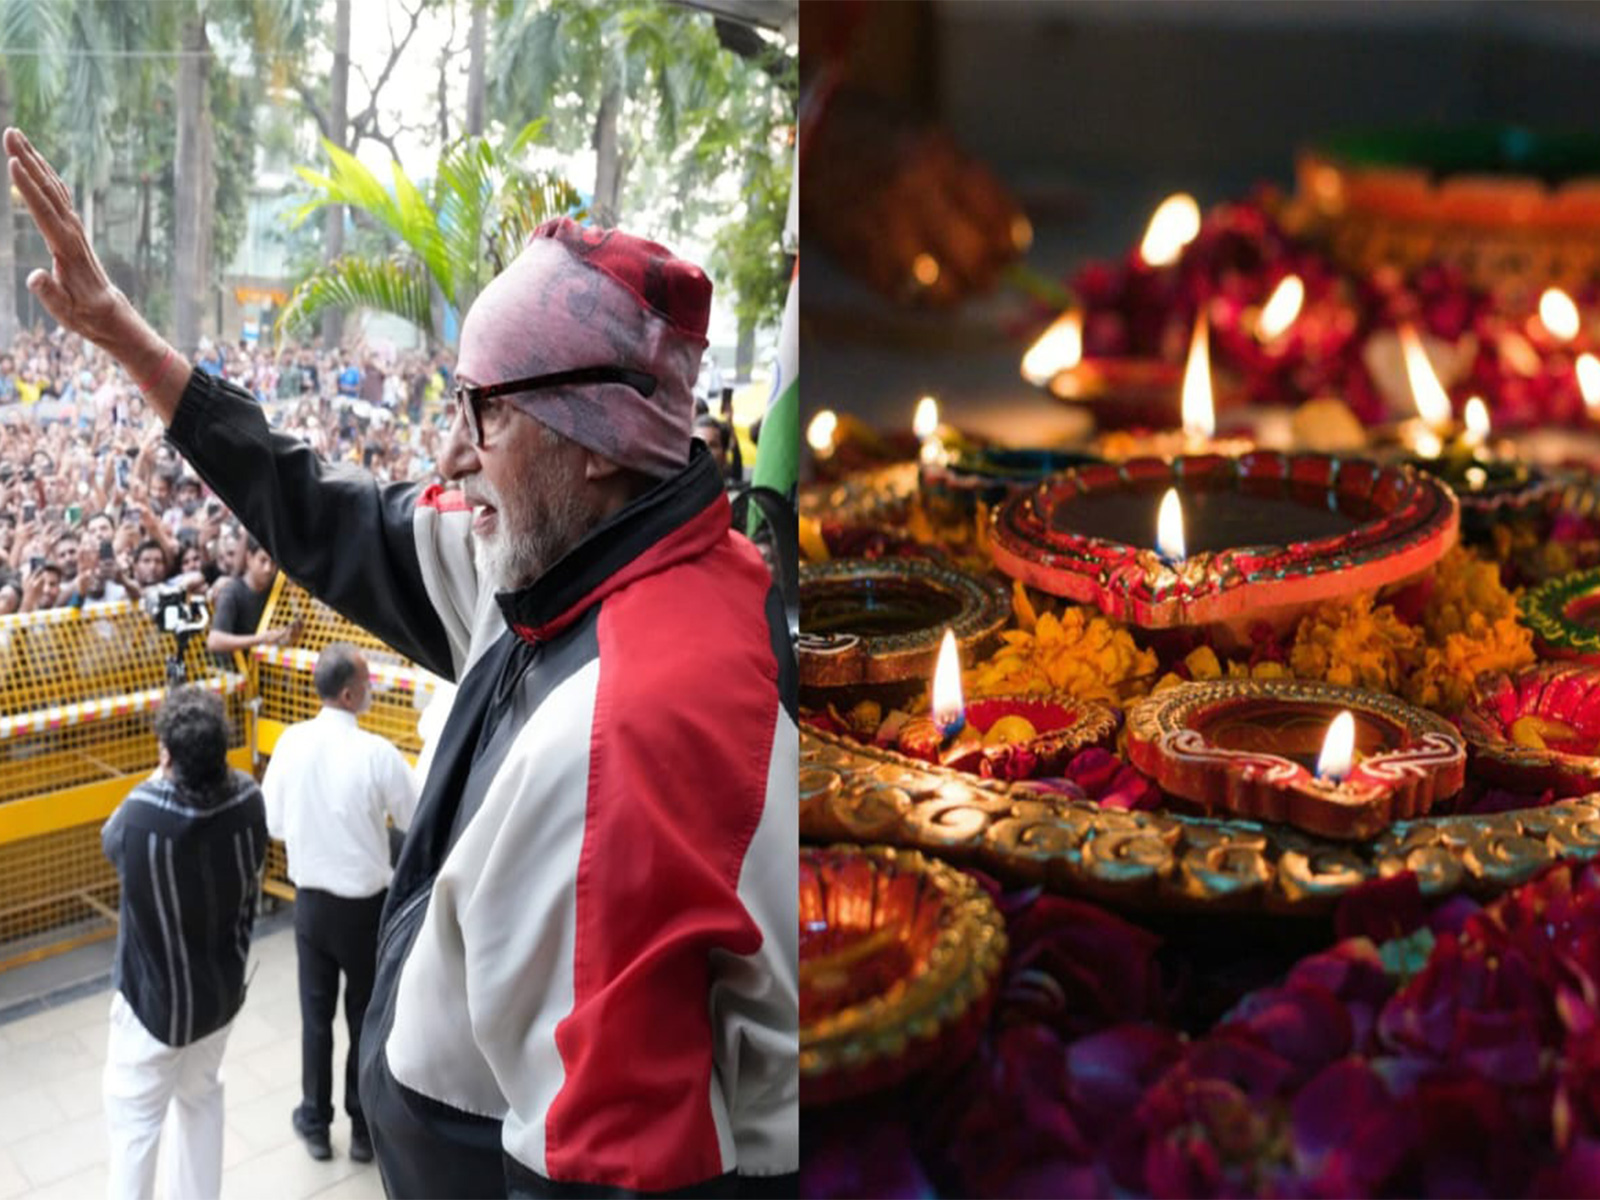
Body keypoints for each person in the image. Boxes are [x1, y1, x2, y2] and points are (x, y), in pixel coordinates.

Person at [7, 125, 796, 1199]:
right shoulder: (557, 558)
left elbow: (607, 1172)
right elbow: (325, 510)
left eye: (482, 411)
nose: (448, 453)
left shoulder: (628, 734)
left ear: (598, 438)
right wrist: (133, 344)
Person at [99, 686, 268, 1200]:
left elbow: (111, 842)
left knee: (135, 1128)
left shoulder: (142, 817)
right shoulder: (247, 800)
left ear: (167, 755)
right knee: (201, 1104)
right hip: (218, 1000)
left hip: (153, 1008)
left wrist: (161, 770)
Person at [262, 643, 419, 1165]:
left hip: (311, 906)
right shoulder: (376, 753)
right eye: (367, 681)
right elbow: (413, 815)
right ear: (351, 693)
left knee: (315, 1019)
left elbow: (275, 824)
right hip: (365, 908)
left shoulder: (290, 743)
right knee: (364, 1020)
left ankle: (314, 1121)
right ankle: (361, 1130)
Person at [206, 535, 294, 660]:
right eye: (262, 560)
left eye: (273, 562)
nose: (268, 569)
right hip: (237, 670)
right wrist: (260, 639)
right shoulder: (232, 592)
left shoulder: (277, 588)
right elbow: (214, 641)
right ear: (249, 558)